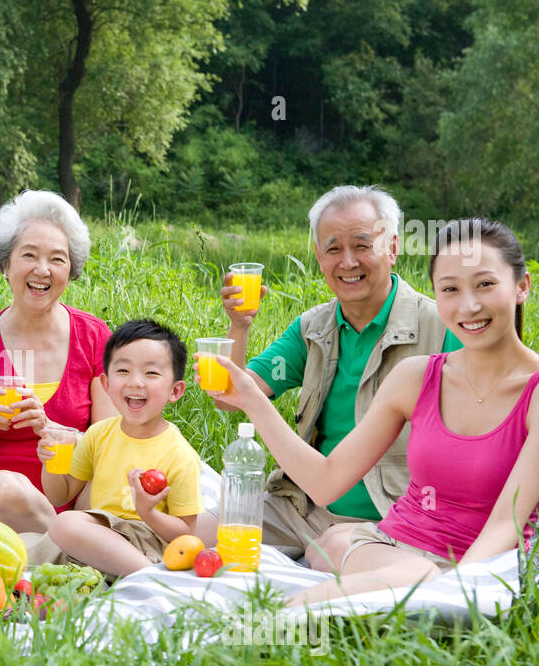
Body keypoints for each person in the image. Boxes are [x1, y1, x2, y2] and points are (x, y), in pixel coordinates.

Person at [199, 218, 539, 606]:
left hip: (474, 562)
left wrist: (455, 587)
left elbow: (506, 524)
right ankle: (290, 612)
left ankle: (296, 609)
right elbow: (326, 482)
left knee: (413, 574)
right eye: (450, 289)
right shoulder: (416, 376)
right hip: (388, 547)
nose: (469, 305)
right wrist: (253, 400)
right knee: (362, 555)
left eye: (485, 284)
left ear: (521, 286)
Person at [196, 185, 464, 565]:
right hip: (302, 509)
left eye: (362, 245)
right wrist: (238, 326)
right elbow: (230, 397)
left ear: (392, 247)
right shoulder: (313, 328)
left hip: (391, 517)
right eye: (333, 248)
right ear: (319, 256)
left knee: (330, 554)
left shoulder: (441, 326)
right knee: (190, 532)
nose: (348, 262)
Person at [0, 190, 114, 533]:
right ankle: (73, 547)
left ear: (70, 270)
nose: (42, 270)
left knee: (119, 479)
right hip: (1, 507)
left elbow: (109, 441)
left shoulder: (94, 336)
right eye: (29, 255)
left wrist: (53, 430)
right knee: (1, 489)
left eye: (57, 259)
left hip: (76, 501)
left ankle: (66, 545)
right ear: (6, 264)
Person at [36, 319, 205, 579]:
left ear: (175, 391)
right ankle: (114, 581)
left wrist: (147, 511)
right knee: (28, 547)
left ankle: (152, 579)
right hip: (100, 538)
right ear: (105, 383)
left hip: (146, 545)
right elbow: (60, 497)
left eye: (151, 373)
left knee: (65, 524)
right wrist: (50, 463)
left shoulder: (178, 454)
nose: (135, 382)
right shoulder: (99, 434)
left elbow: (185, 534)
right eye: (123, 370)